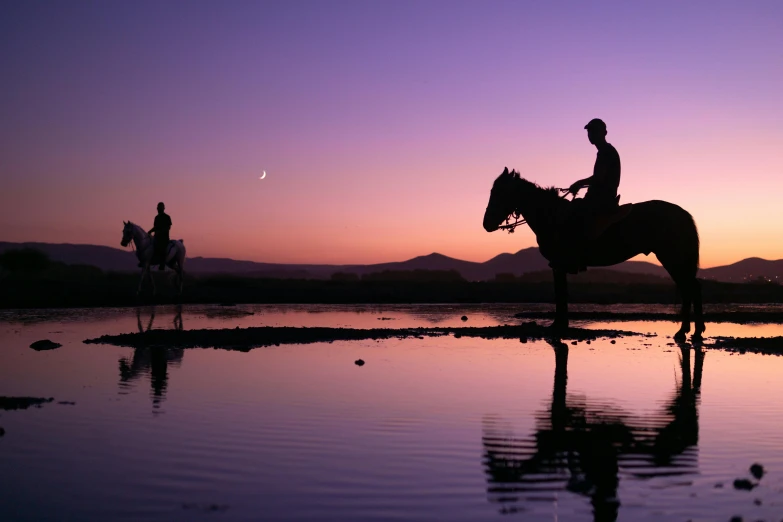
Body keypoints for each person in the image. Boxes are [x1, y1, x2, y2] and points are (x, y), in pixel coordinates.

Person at [562, 119, 622, 272]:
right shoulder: (604, 151)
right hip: (599, 196)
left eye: (594, 131)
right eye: (589, 131)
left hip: (601, 198)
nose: (591, 134)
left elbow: (599, 178)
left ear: (604, 133)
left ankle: (576, 259)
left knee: (574, 214)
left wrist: (578, 183)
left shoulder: (606, 152)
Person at [147, 202, 172, 270]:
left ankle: (162, 264)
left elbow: (168, 228)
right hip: (156, 237)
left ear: (163, 208)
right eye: (158, 207)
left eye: (160, 207)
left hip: (164, 238)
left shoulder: (167, 217)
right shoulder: (156, 217)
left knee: (162, 248)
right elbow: (155, 227)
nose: (159, 209)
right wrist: (149, 231)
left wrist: (160, 232)